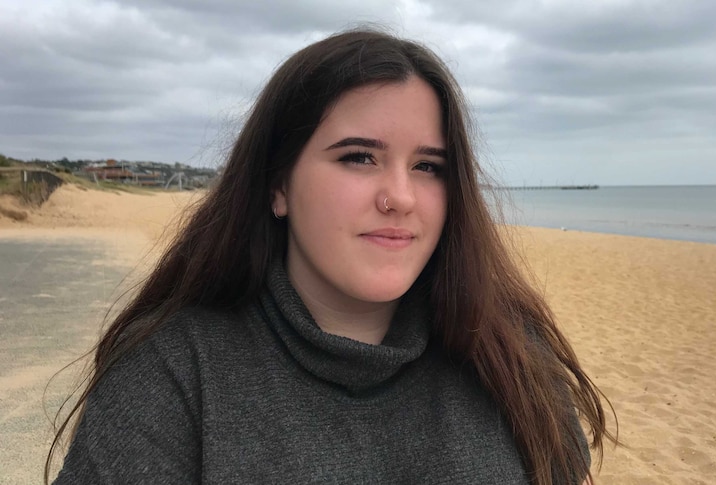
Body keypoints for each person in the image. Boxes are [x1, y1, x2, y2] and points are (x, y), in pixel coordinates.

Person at [48, 29, 615, 484]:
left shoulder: (509, 354)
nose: (400, 196)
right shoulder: (173, 377)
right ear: (278, 186)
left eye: (428, 166)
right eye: (359, 158)